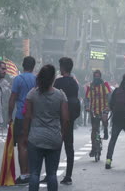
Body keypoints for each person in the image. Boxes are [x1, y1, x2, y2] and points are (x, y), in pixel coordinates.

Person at [23, 65, 69, 191]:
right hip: (54, 138)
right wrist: (62, 135)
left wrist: (25, 135)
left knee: (34, 173)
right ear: (53, 78)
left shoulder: (32, 94)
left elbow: (27, 116)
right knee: (52, 174)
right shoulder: (60, 95)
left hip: (35, 137)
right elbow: (65, 119)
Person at [8, 56, 36, 185]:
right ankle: (31, 172)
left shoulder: (18, 79)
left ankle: (24, 174)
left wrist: (9, 115)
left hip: (21, 116)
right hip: (34, 117)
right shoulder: (37, 80)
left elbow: (13, 98)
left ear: (23, 65)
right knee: (32, 146)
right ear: (33, 66)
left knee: (22, 145)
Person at [52, 57, 79, 185]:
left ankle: (51, 174)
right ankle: (68, 175)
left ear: (62, 68)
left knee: (55, 147)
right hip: (71, 118)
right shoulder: (74, 83)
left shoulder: (58, 82)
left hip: (58, 119)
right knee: (69, 147)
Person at [105, 73, 125, 169]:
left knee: (113, 140)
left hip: (116, 119)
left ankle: (108, 161)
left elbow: (110, 105)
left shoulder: (116, 91)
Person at [86, 70, 111, 157]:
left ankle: (105, 130)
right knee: (94, 130)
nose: (97, 78)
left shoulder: (105, 84)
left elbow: (109, 95)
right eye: (95, 76)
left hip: (104, 108)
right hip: (93, 110)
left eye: (98, 76)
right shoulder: (90, 86)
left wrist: (109, 106)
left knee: (104, 120)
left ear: (100, 76)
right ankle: (93, 149)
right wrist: (87, 107)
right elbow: (87, 98)